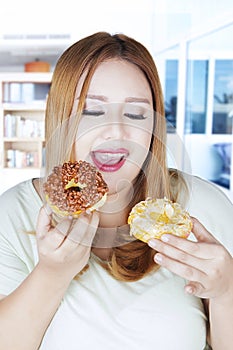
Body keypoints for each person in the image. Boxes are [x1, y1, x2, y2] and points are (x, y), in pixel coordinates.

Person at [0, 32, 232, 350]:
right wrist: (52, 274)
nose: (115, 131)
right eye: (92, 112)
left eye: (136, 114)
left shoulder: (204, 208)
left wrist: (226, 291)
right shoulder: (13, 213)